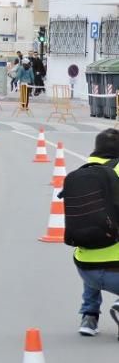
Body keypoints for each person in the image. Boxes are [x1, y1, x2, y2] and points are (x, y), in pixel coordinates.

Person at [71, 129, 119, 337]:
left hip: (85, 268)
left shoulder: (82, 172)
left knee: (94, 239)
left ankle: (89, 317)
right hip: (116, 273)